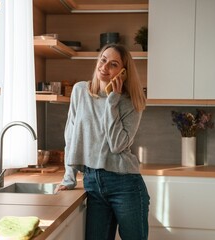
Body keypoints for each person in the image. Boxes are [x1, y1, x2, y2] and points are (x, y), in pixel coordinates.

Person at [56, 43, 150, 240]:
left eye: (113, 64)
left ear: (123, 73)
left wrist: (112, 101)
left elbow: (117, 145)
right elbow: (71, 136)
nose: (104, 67)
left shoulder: (132, 102)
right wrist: (69, 176)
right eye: (103, 59)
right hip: (92, 183)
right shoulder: (80, 91)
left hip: (125, 184)